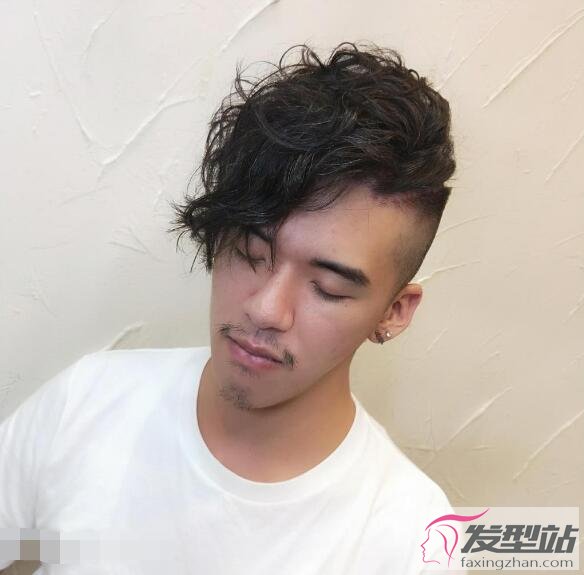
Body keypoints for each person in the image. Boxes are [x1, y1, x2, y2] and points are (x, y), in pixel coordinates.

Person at [0, 42, 466, 574]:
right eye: (250, 252)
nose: (266, 309)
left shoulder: (412, 543)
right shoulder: (86, 405)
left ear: (394, 312)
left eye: (328, 288)